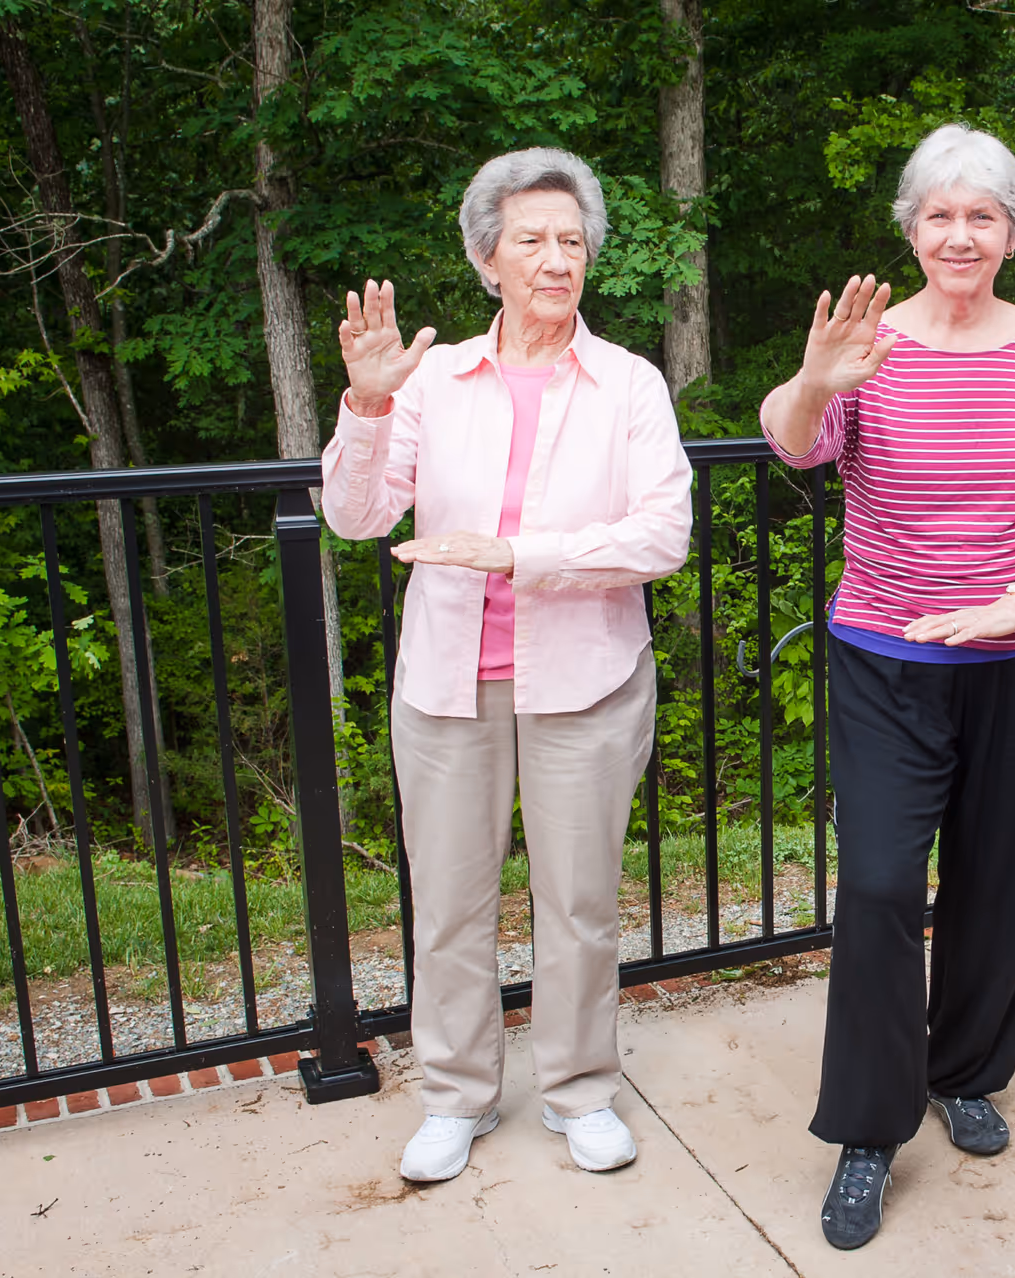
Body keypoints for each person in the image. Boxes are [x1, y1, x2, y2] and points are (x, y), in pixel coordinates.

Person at [759, 123, 1015, 1250]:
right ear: (911, 231)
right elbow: (792, 445)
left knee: (1003, 875)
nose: (959, 234)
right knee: (878, 883)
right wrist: (816, 380)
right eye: (939, 215)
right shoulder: (871, 347)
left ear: (1011, 233)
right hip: (891, 654)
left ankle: (965, 1069)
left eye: (982, 216)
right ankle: (870, 1127)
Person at [321, 147, 692, 1181]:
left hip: (586, 679)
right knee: (448, 900)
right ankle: (459, 1095)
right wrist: (365, 407)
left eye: (571, 240)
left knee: (578, 903)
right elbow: (357, 517)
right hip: (447, 680)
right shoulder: (430, 381)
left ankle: (578, 1092)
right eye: (530, 239)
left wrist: (521, 558)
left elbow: (664, 535)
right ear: (487, 258)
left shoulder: (628, 383)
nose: (554, 259)